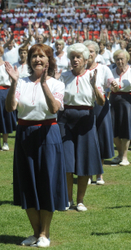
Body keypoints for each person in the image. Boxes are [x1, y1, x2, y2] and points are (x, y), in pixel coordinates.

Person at [6, 44, 67, 248]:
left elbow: (54, 108)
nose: (37, 59)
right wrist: (14, 83)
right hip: (24, 134)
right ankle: (34, 232)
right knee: (27, 183)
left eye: (41, 56)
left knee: (46, 182)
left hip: (48, 134)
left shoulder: (57, 84)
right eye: (34, 56)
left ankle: (44, 233)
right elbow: (10, 107)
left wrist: (43, 85)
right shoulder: (21, 82)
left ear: (49, 60)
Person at [59, 43, 105, 212]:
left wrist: (93, 85)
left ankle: (80, 201)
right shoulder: (63, 76)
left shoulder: (93, 75)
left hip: (86, 120)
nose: (75, 60)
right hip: (65, 120)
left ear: (86, 60)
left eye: (78, 57)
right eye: (73, 57)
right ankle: (68, 199)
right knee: (67, 161)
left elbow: (101, 102)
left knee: (84, 161)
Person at [84, 40, 117, 185]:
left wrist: (114, 85)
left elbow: (112, 86)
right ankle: (88, 173)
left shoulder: (104, 69)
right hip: (83, 107)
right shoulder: (79, 69)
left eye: (91, 51)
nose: (89, 53)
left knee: (101, 138)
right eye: (86, 51)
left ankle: (99, 173)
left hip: (100, 106)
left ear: (96, 53)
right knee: (87, 140)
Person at [0, 46, 16, 151]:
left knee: (5, 117)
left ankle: (5, 142)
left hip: (5, 92)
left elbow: (11, 79)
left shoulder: (6, 65)